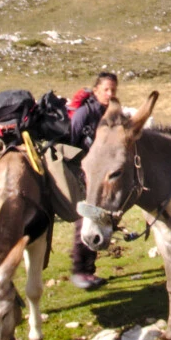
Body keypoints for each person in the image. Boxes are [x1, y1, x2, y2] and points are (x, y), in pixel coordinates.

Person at [66, 71, 120, 290]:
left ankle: (89, 270)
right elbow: (70, 144)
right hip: (83, 176)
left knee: (99, 220)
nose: (109, 93)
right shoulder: (83, 114)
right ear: (96, 89)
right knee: (84, 222)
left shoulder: (113, 114)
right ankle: (80, 271)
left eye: (113, 90)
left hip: (103, 178)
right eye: (106, 89)